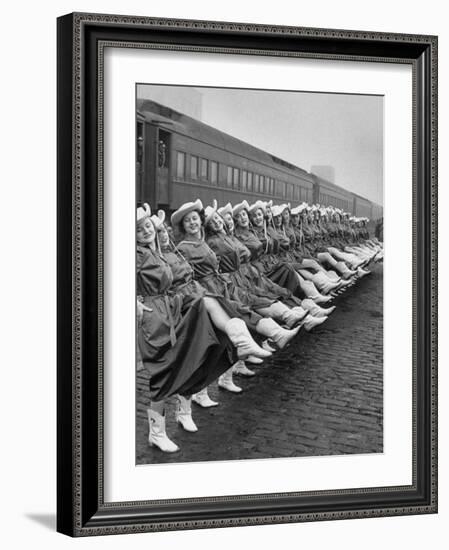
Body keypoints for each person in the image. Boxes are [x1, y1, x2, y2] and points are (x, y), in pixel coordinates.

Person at [137, 204, 269, 451]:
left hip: (170, 310)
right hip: (155, 317)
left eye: (150, 227)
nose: (148, 232)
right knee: (164, 371)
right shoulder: (136, 254)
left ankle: (181, 412)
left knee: (188, 357)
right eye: (140, 229)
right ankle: (156, 432)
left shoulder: (155, 252)